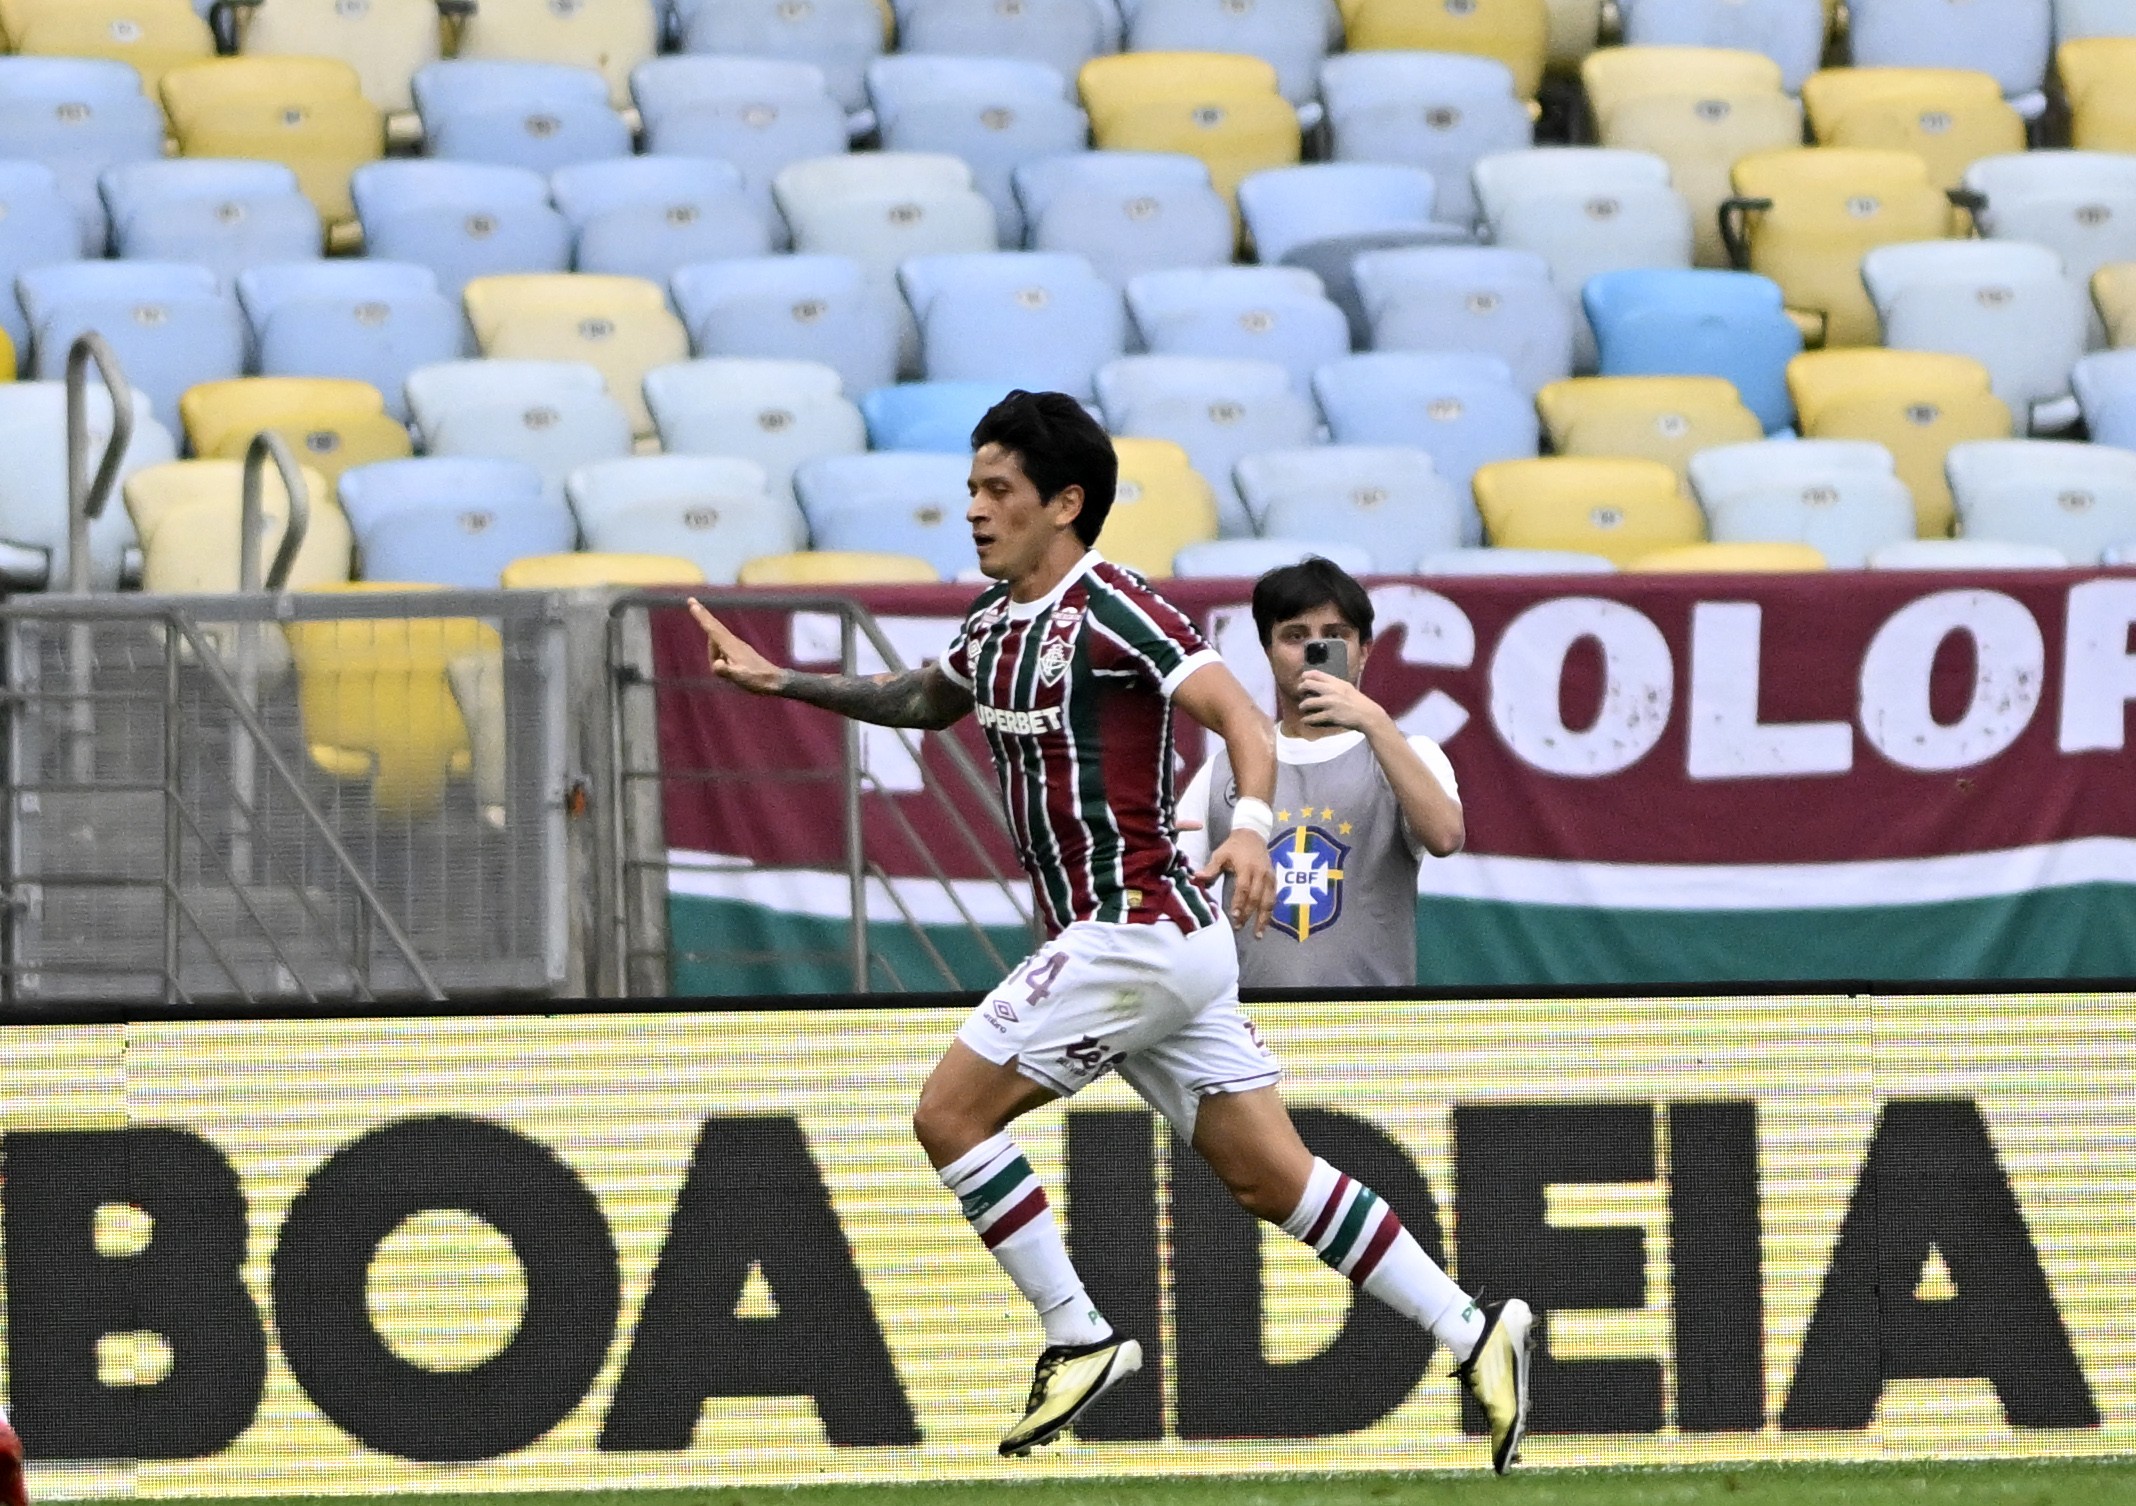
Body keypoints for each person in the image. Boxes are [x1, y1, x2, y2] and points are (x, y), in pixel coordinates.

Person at [688, 391, 1531, 1469]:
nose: (977, 512)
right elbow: (919, 701)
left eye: (999, 491)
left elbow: (1235, 714)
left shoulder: (1117, 604)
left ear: (1066, 503)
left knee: (949, 1117)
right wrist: (781, 683)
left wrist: (1255, 829)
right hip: (1161, 951)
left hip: (1132, 928)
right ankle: (1473, 1330)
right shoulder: (993, 627)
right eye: (972, 491)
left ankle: (1077, 1333)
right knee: (1271, 1177)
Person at [1178, 557, 1464, 988]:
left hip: (1369, 1032)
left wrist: (1374, 722)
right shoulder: (1222, 768)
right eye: (1295, 636)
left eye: (1335, 636)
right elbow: (1176, 890)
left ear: (1364, 650)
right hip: (1247, 1037)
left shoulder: (1410, 752)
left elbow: (1445, 837)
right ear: (1267, 650)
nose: (1314, 650)